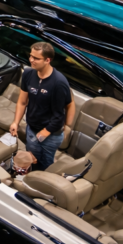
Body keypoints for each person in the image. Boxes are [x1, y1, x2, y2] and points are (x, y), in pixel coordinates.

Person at [10, 42, 76, 171]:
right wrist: (16, 122)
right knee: (32, 160)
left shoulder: (59, 83)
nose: (31, 60)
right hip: (32, 127)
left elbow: (59, 116)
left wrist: (43, 134)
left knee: (44, 165)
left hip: (50, 133)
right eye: (30, 56)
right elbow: (22, 102)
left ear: (48, 60)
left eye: (36, 58)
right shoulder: (28, 74)